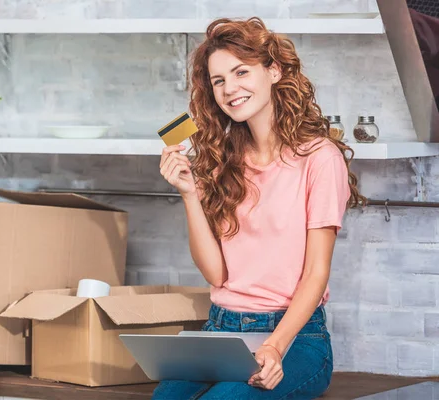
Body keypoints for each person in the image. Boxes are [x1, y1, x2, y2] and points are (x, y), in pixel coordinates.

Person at [153, 17, 364, 400]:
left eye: (241, 72)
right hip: (222, 332)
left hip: (295, 337)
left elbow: (316, 274)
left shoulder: (319, 158)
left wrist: (274, 347)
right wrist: (188, 194)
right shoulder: (223, 162)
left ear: (274, 71)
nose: (229, 88)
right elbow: (217, 275)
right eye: (218, 81)